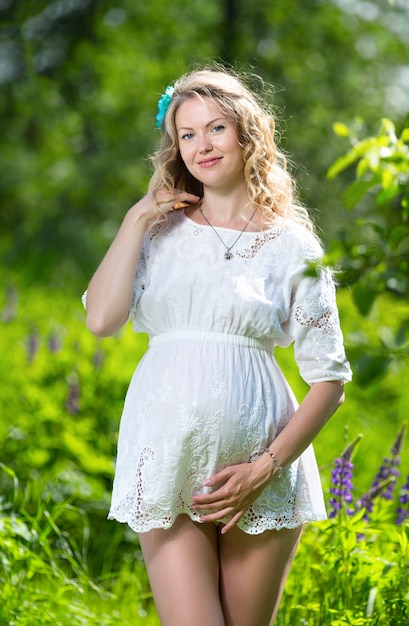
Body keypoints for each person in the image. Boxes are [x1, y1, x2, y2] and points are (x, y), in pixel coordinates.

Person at [83, 66, 352, 626]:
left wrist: (266, 468)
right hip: (166, 459)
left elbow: (329, 380)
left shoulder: (293, 245)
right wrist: (136, 217)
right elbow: (102, 320)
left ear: (247, 134)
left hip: (259, 475)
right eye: (187, 134)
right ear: (174, 146)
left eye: (216, 129)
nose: (202, 146)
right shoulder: (156, 233)